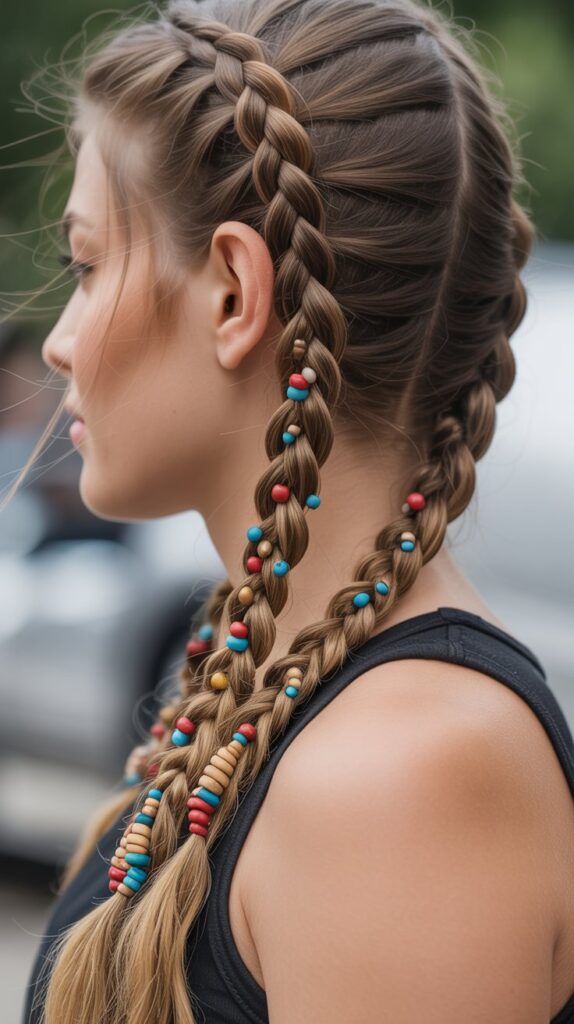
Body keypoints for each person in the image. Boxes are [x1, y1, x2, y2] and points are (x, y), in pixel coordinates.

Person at [15, 0, 574, 1021]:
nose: (58, 340)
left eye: (87, 267)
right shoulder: (267, 673)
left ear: (233, 292)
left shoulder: (405, 775)